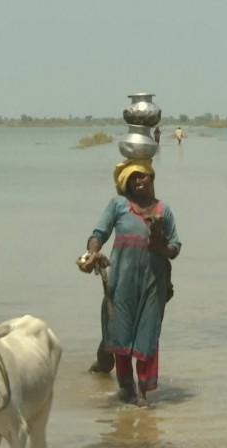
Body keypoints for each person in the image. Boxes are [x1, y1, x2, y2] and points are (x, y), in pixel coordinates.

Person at [79, 158, 181, 407]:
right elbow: (98, 234)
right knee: (120, 336)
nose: (138, 181)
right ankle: (126, 387)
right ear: (125, 183)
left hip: (152, 285)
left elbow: (175, 246)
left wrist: (161, 246)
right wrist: (93, 253)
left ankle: (143, 392)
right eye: (132, 178)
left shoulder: (163, 211)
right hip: (121, 284)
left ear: (151, 178)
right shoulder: (118, 206)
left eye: (142, 176)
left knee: (147, 336)